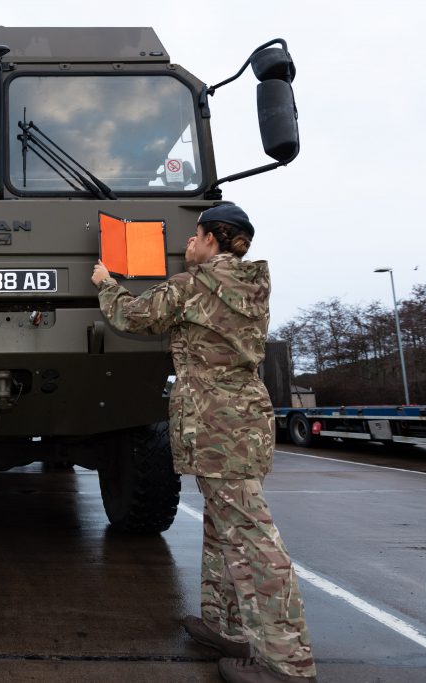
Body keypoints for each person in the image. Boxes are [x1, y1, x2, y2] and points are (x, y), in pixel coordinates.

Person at [91, 204, 317, 683]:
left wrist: (105, 283)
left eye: (194, 237)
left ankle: (285, 660)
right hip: (247, 420)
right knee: (222, 527)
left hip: (216, 424)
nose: (188, 244)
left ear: (212, 238)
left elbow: (132, 317)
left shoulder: (191, 286)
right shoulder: (253, 286)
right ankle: (226, 627)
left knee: (252, 537)